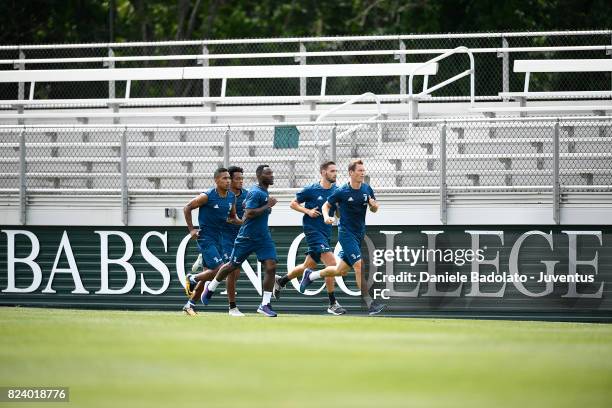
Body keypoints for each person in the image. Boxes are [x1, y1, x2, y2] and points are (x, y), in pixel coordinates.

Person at [299, 159, 386, 316]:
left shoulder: (367, 189)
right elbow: (326, 205)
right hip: (346, 234)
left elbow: (375, 208)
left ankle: (311, 275)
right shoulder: (341, 191)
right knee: (359, 265)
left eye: (363, 170)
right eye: (359, 170)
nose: (362, 173)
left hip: (359, 233)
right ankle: (370, 304)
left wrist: (374, 206)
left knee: (340, 271)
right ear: (351, 173)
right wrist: (326, 216)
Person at [201, 165, 279, 317]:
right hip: (245, 237)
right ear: (260, 176)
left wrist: (264, 207)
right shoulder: (255, 192)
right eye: (268, 174)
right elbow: (249, 213)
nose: (272, 176)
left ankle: (265, 304)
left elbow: (247, 207)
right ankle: (211, 288)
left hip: (262, 237)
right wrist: (267, 205)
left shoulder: (256, 192)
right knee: (232, 267)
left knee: (271, 266)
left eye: (271, 173)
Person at [273, 161, 347, 315]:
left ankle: (281, 281)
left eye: (336, 171)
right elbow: (293, 204)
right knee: (332, 263)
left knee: (308, 265)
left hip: (326, 232)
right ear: (323, 172)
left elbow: (338, 213)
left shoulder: (337, 191)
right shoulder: (311, 189)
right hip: (313, 231)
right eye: (332, 171)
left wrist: (339, 211)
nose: (335, 173)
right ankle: (332, 303)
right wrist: (307, 211)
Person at [182, 167, 241, 316]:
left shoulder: (231, 197)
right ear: (216, 180)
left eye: (229, 178)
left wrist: (245, 221)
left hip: (220, 239)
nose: (228, 181)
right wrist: (191, 230)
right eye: (224, 178)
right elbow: (187, 207)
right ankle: (191, 278)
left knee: (208, 274)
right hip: (206, 238)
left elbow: (232, 218)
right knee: (220, 269)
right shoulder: (206, 196)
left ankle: (189, 305)